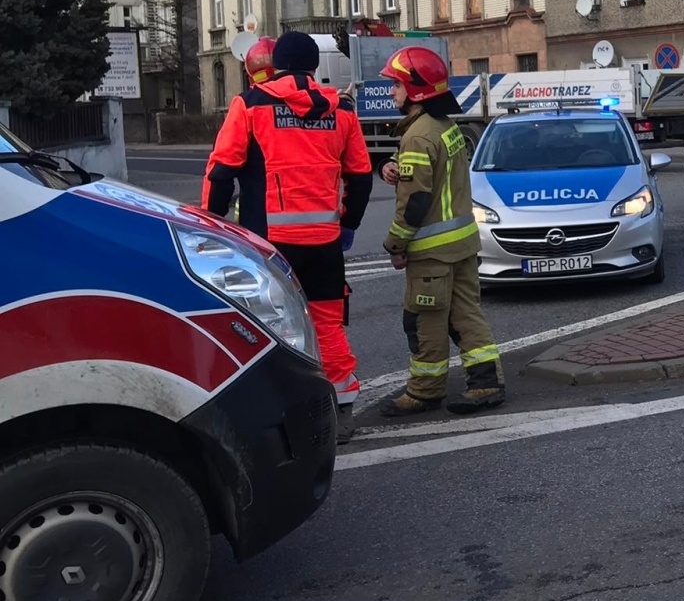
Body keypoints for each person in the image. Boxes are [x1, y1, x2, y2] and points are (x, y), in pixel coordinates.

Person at [204, 30, 374, 442]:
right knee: (328, 324)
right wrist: (347, 223)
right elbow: (361, 176)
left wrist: (210, 225)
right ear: (315, 67)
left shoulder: (249, 105)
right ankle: (342, 409)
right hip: (324, 241)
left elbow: (222, 171)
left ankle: (277, 413)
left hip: (268, 245)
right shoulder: (341, 110)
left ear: (275, 65)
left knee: (266, 326)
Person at [376, 46, 505, 417]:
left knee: (423, 320)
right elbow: (437, 180)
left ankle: (424, 391)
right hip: (462, 245)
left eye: (396, 85)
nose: (391, 92)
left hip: (431, 252)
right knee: (466, 314)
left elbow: (416, 201)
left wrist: (395, 243)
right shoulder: (445, 128)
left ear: (415, 91)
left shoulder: (417, 136)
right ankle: (486, 383)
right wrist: (394, 168)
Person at [201, 36, 277, 238]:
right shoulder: (320, 104)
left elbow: (222, 170)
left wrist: (210, 219)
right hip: (320, 234)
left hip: (259, 225)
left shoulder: (247, 105)